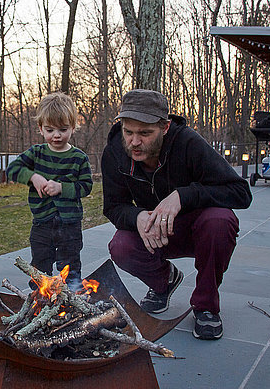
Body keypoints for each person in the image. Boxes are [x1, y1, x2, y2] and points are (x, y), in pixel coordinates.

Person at [101, 89, 252, 340]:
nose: (134, 142)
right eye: (129, 132)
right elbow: (114, 206)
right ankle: (163, 282)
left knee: (220, 220)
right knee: (121, 245)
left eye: (145, 133)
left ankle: (205, 306)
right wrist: (137, 217)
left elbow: (240, 193)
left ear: (165, 127)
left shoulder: (188, 143)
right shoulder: (115, 153)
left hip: (198, 230)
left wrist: (183, 196)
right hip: (155, 232)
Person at [7, 92, 93, 289]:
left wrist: (62, 188)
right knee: (40, 262)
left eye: (63, 129)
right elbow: (12, 169)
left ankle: (71, 295)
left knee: (70, 265)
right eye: (50, 129)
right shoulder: (36, 154)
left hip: (70, 224)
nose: (56, 135)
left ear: (73, 127)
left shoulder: (78, 158)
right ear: (41, 128)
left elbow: (86, 187)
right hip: (42, 222)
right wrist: (33, 177)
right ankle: (39, 298)